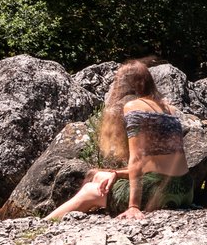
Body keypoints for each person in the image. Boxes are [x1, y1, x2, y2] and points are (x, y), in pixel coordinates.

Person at [47, 60, 193, 220]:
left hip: (161, 192)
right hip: (185, 190)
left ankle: (42, 224)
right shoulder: (169, 110)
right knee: (99, 176)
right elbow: (156, 165)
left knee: (89, 190)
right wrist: (116, 173)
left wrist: (133, 206)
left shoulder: (133, 107)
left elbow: (137, 159)